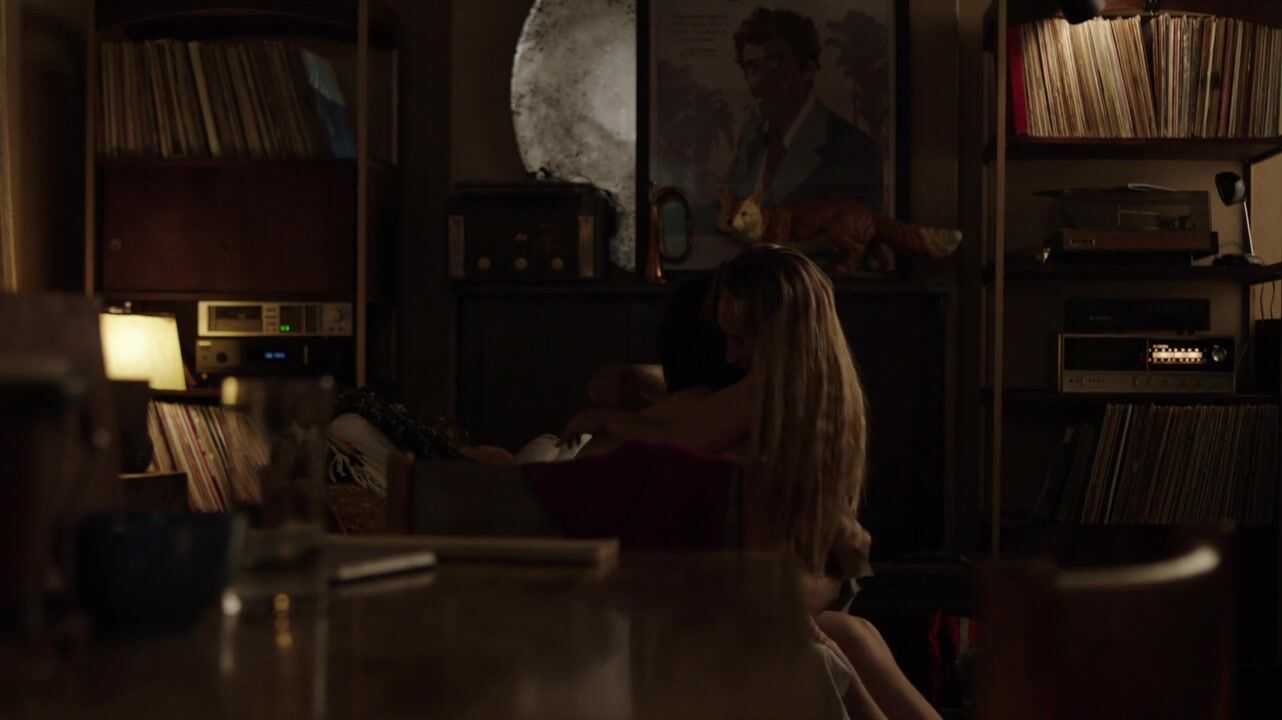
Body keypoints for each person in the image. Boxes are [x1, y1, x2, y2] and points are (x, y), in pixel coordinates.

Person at [562, 246, 938, 719]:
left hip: (783, 581)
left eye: (742, 339)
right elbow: (702, 407)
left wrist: (607, 420)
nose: (731, 354)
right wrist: (638, 379)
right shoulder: (820, 380)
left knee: (829, 656)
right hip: (819, 568)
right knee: (853, 640)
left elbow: (682, 435)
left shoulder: (767, 390)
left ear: (779, 335)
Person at [726, 7, 884, 212]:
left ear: (808, 69)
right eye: (753, 67)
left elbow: (855, 229)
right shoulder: (751, 136)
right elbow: (732, 211)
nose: (761, 82)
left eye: (775, 63)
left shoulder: (855, 151)